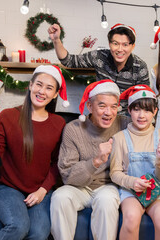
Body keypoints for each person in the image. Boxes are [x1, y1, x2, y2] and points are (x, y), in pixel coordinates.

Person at [0, 65, 67, 240]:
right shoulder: (9, 116)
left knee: (38, 233)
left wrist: (43, 190)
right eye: (39, 85)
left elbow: (57, 162)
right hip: (8, 188)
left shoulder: (58, 123)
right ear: (30, 85)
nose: (42, 91)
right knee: (19, 226)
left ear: (56, 94)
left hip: (40, 191)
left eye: (49, 88)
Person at [50, 79, 130, 240]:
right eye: (102, 106)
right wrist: (96, 161)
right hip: (78, 187)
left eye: (114, 106)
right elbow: (68, 176)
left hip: (107, 186)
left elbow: (147, 125)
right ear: (90, 107)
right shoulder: (73, 129)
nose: (109, 112)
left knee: (106, 202)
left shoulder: (125, 124)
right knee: (60, 197)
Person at [110, 85, 160, 240]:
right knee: (130, 218)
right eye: (136, 109)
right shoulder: (120, 138)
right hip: (130, 192)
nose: (142, 115)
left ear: (155, 112)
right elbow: (114, 173)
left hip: (157, 193)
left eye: (147, 110)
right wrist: (132, 182)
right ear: (129, 110)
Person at [48, 23, 150, 114]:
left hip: (126, 117)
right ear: (110, 44)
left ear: (132, 47)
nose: (120, 49)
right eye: (115, 43)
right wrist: (56, 40)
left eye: (125, 45)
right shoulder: (99, 56)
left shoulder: (140, 67)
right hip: (100, 113)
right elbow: (69, 61)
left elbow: (143, 99)